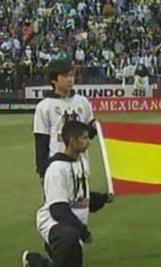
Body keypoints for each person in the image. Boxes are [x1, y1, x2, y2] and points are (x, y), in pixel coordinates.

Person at [22, 121, 110, 267]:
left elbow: (81, 196)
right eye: (84, 138)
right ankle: (37, 259)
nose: (88, 143)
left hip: (71, 226)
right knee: (69, 237)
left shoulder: (81, 162)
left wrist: (103, 198)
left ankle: (34, 262)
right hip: (55, 223)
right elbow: (58, 209)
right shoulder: (56, 169)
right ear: (71, 140)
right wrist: (83, 232)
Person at [33, 59, 97, 184]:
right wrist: (42, 171)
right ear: (53, 80)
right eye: (65, 76)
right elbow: (41, 140)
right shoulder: (45, 106)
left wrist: (95, 128)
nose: (70, 79)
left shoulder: (82, 102)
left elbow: (90, 133)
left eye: (72, 75)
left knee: (81, 203)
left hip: (81, 165)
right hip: (57, 167)